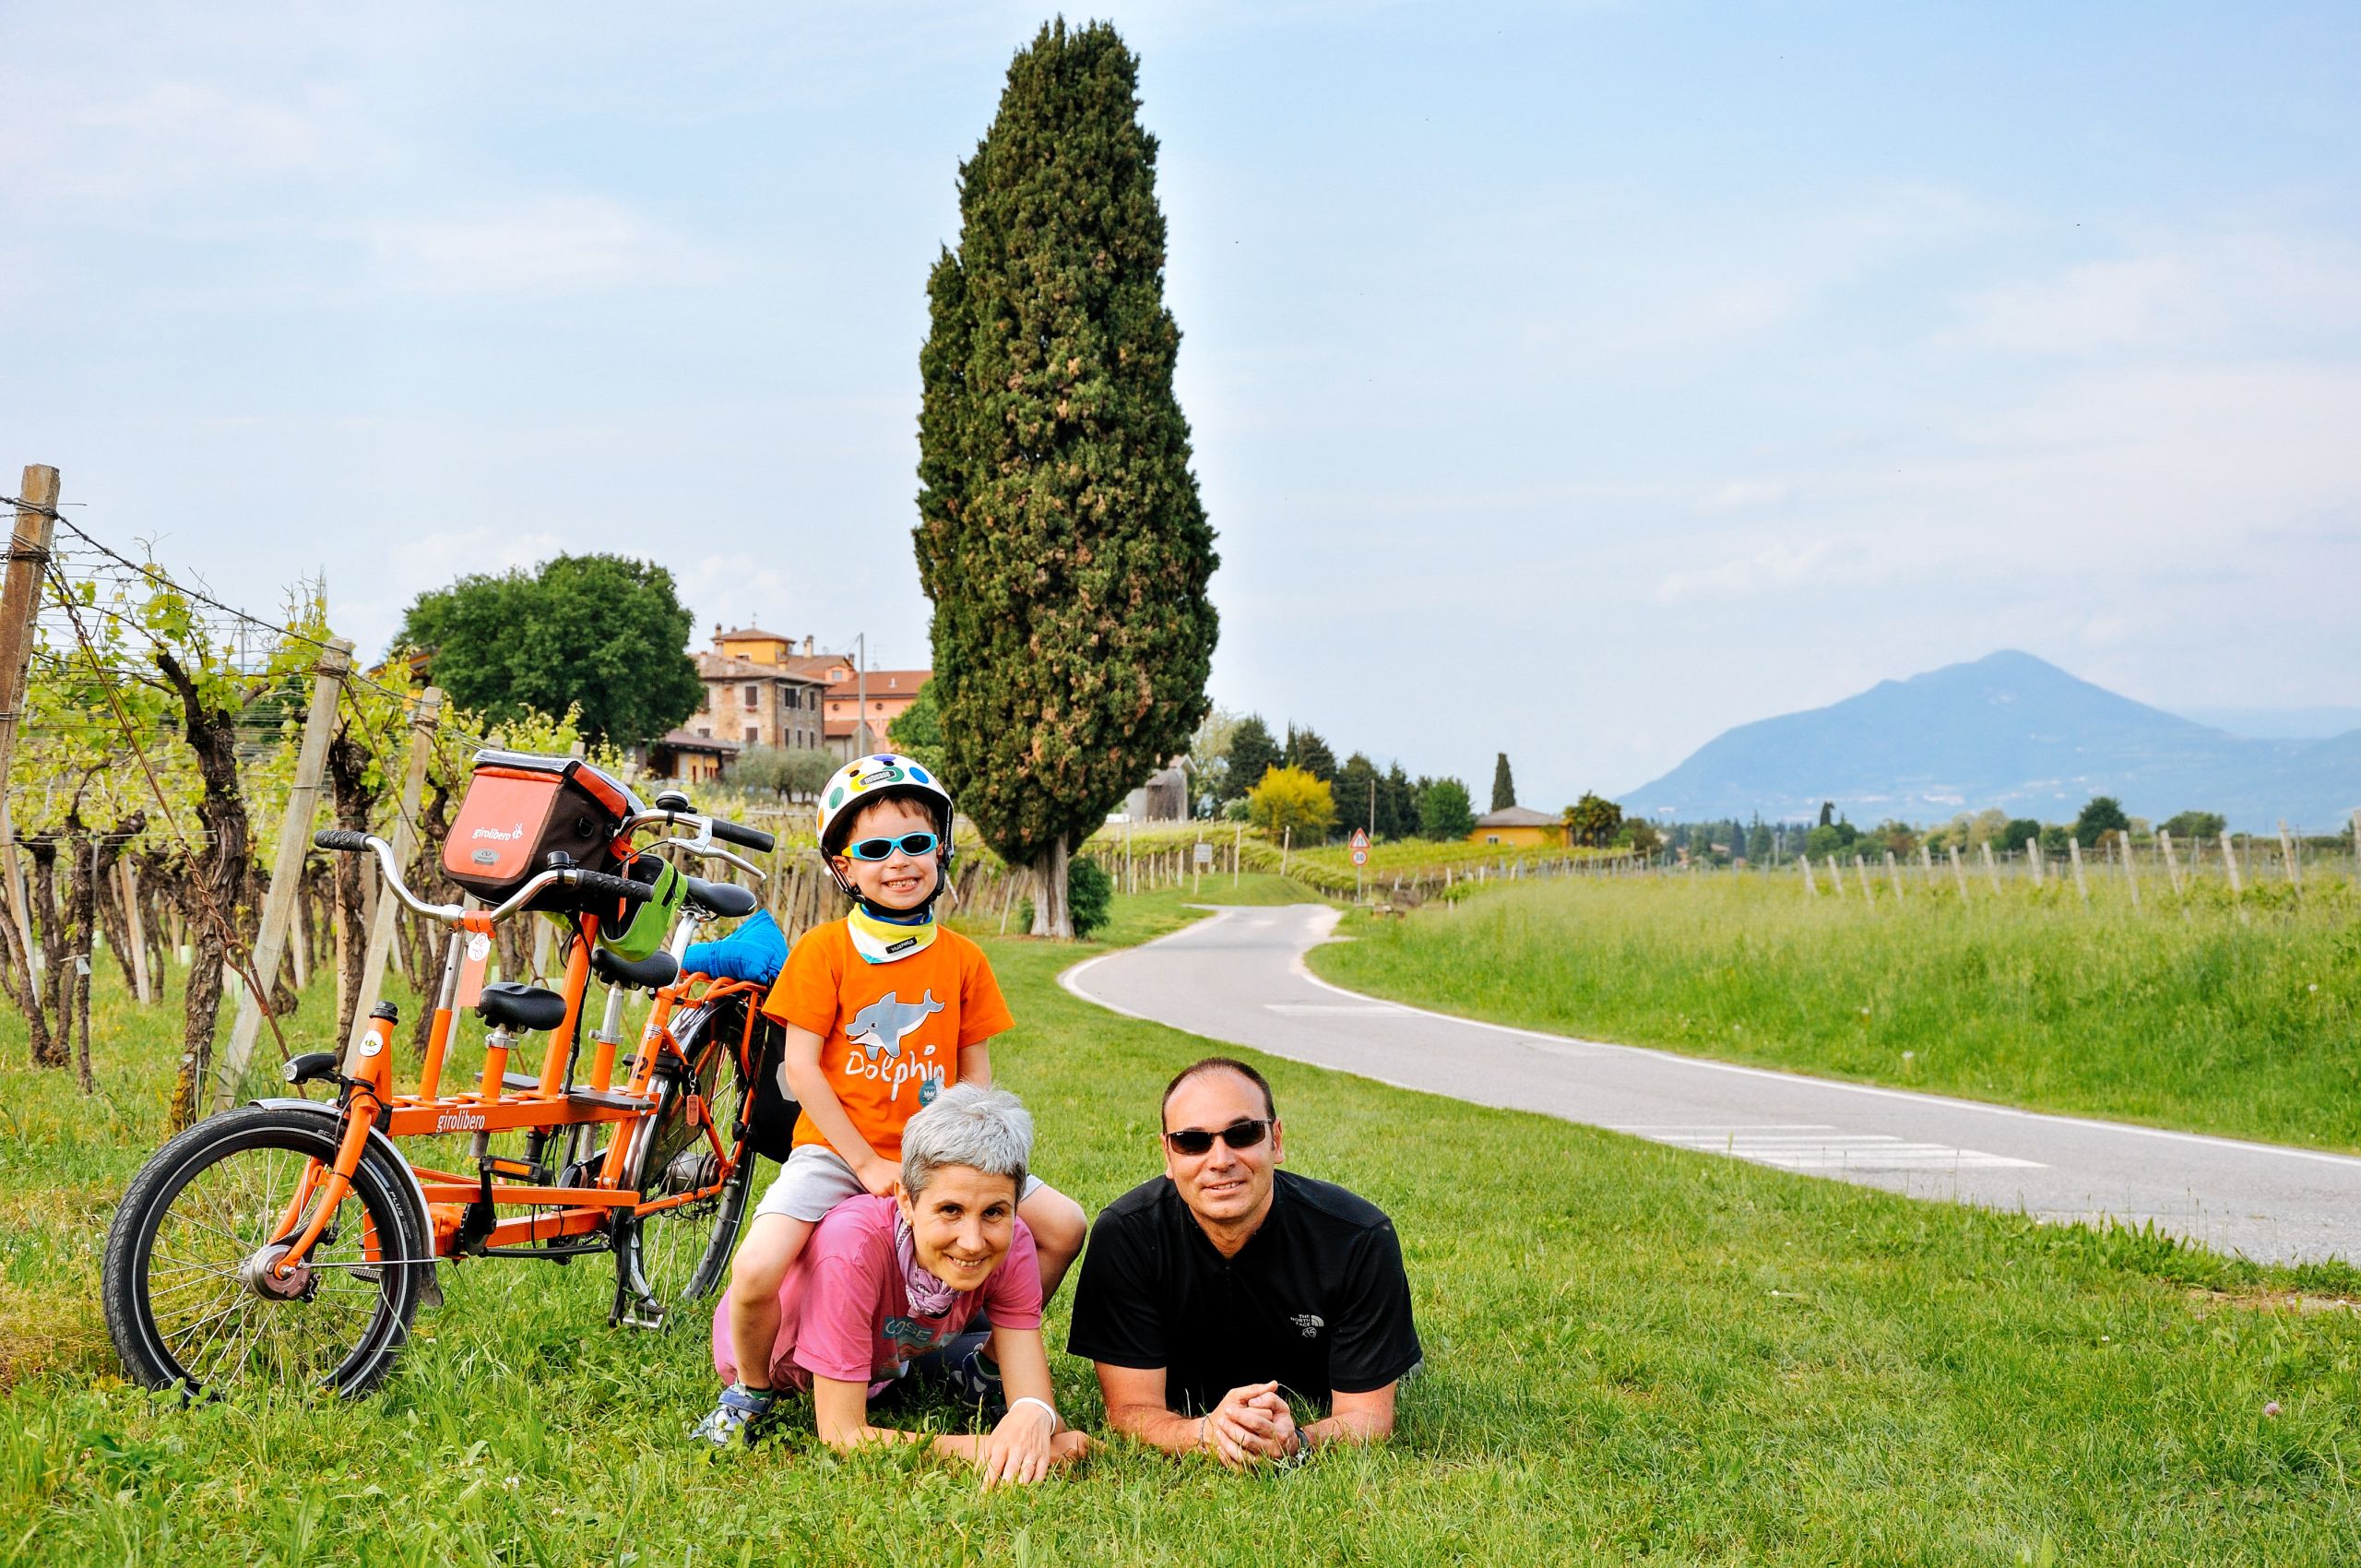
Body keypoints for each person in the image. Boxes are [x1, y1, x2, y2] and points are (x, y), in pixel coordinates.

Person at [694, 753, 1087, 1446]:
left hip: (939, 1156)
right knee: (756, 1268)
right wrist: (868, 1164)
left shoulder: (964, 959)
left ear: (942, 849)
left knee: (1065, 1226)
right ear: (844, 867)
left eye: (916, 843)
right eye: (875, 849)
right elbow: (803, 1072)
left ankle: (979, 1357)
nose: (899, 861)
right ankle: (749, 1389)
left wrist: (972, 1163)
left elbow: (975, 1080)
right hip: (839, 1151)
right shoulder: (824, 951)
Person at [699, 1084, 1091, 1479]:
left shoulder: (1014, 1241)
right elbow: (842, 1434)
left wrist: (1036, 1415)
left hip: (886, 1354)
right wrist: (992, 1449)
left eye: (994, 1212)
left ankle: (964, 1370)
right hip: (779, 1361)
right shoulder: (851, 1247)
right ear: (905, 1200)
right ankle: (750, 1396)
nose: (973, 1242)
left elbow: (1034, 1400)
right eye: (950, 1210)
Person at [1067, 1056, 1421, 1466]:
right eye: (1192, 1141)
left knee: (1396, 1370)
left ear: (1277, 1140)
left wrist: (1299, 1440)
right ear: (1167, 1153)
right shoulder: (1126, 1235)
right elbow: (1129, 1410)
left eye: (1243, 1133)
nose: (1220, 1160)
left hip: (1331, 1378)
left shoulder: (1358, 1237)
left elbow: (1368, 1414)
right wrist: (1203, 1433)